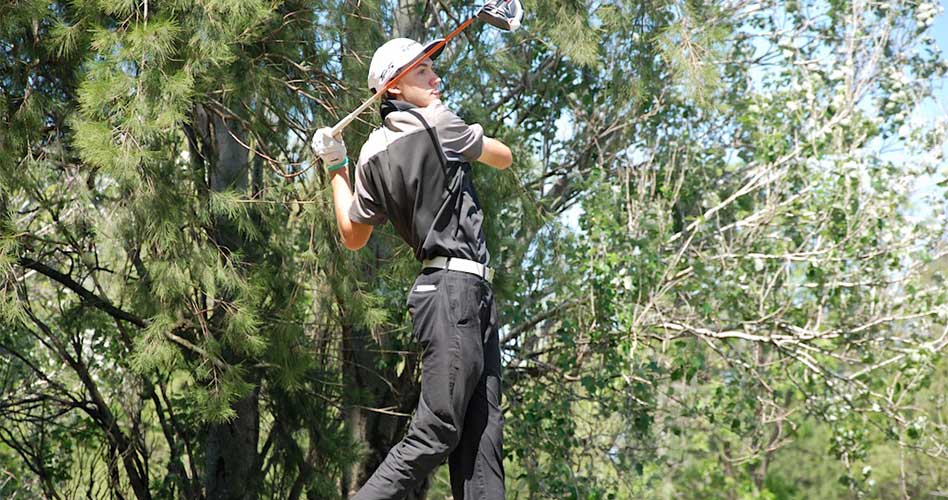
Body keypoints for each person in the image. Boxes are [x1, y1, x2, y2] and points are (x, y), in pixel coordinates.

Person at [312, 37, 512, 500]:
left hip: (456, 293)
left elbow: (352, 234)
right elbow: (503, 157)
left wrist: (335, 165)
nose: (436, 78)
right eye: (424, 71)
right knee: (439, 429)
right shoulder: (439, 123)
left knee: (482, 439)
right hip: (454, 291)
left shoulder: (370, 155)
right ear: (395, 88)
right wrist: (475, 135)